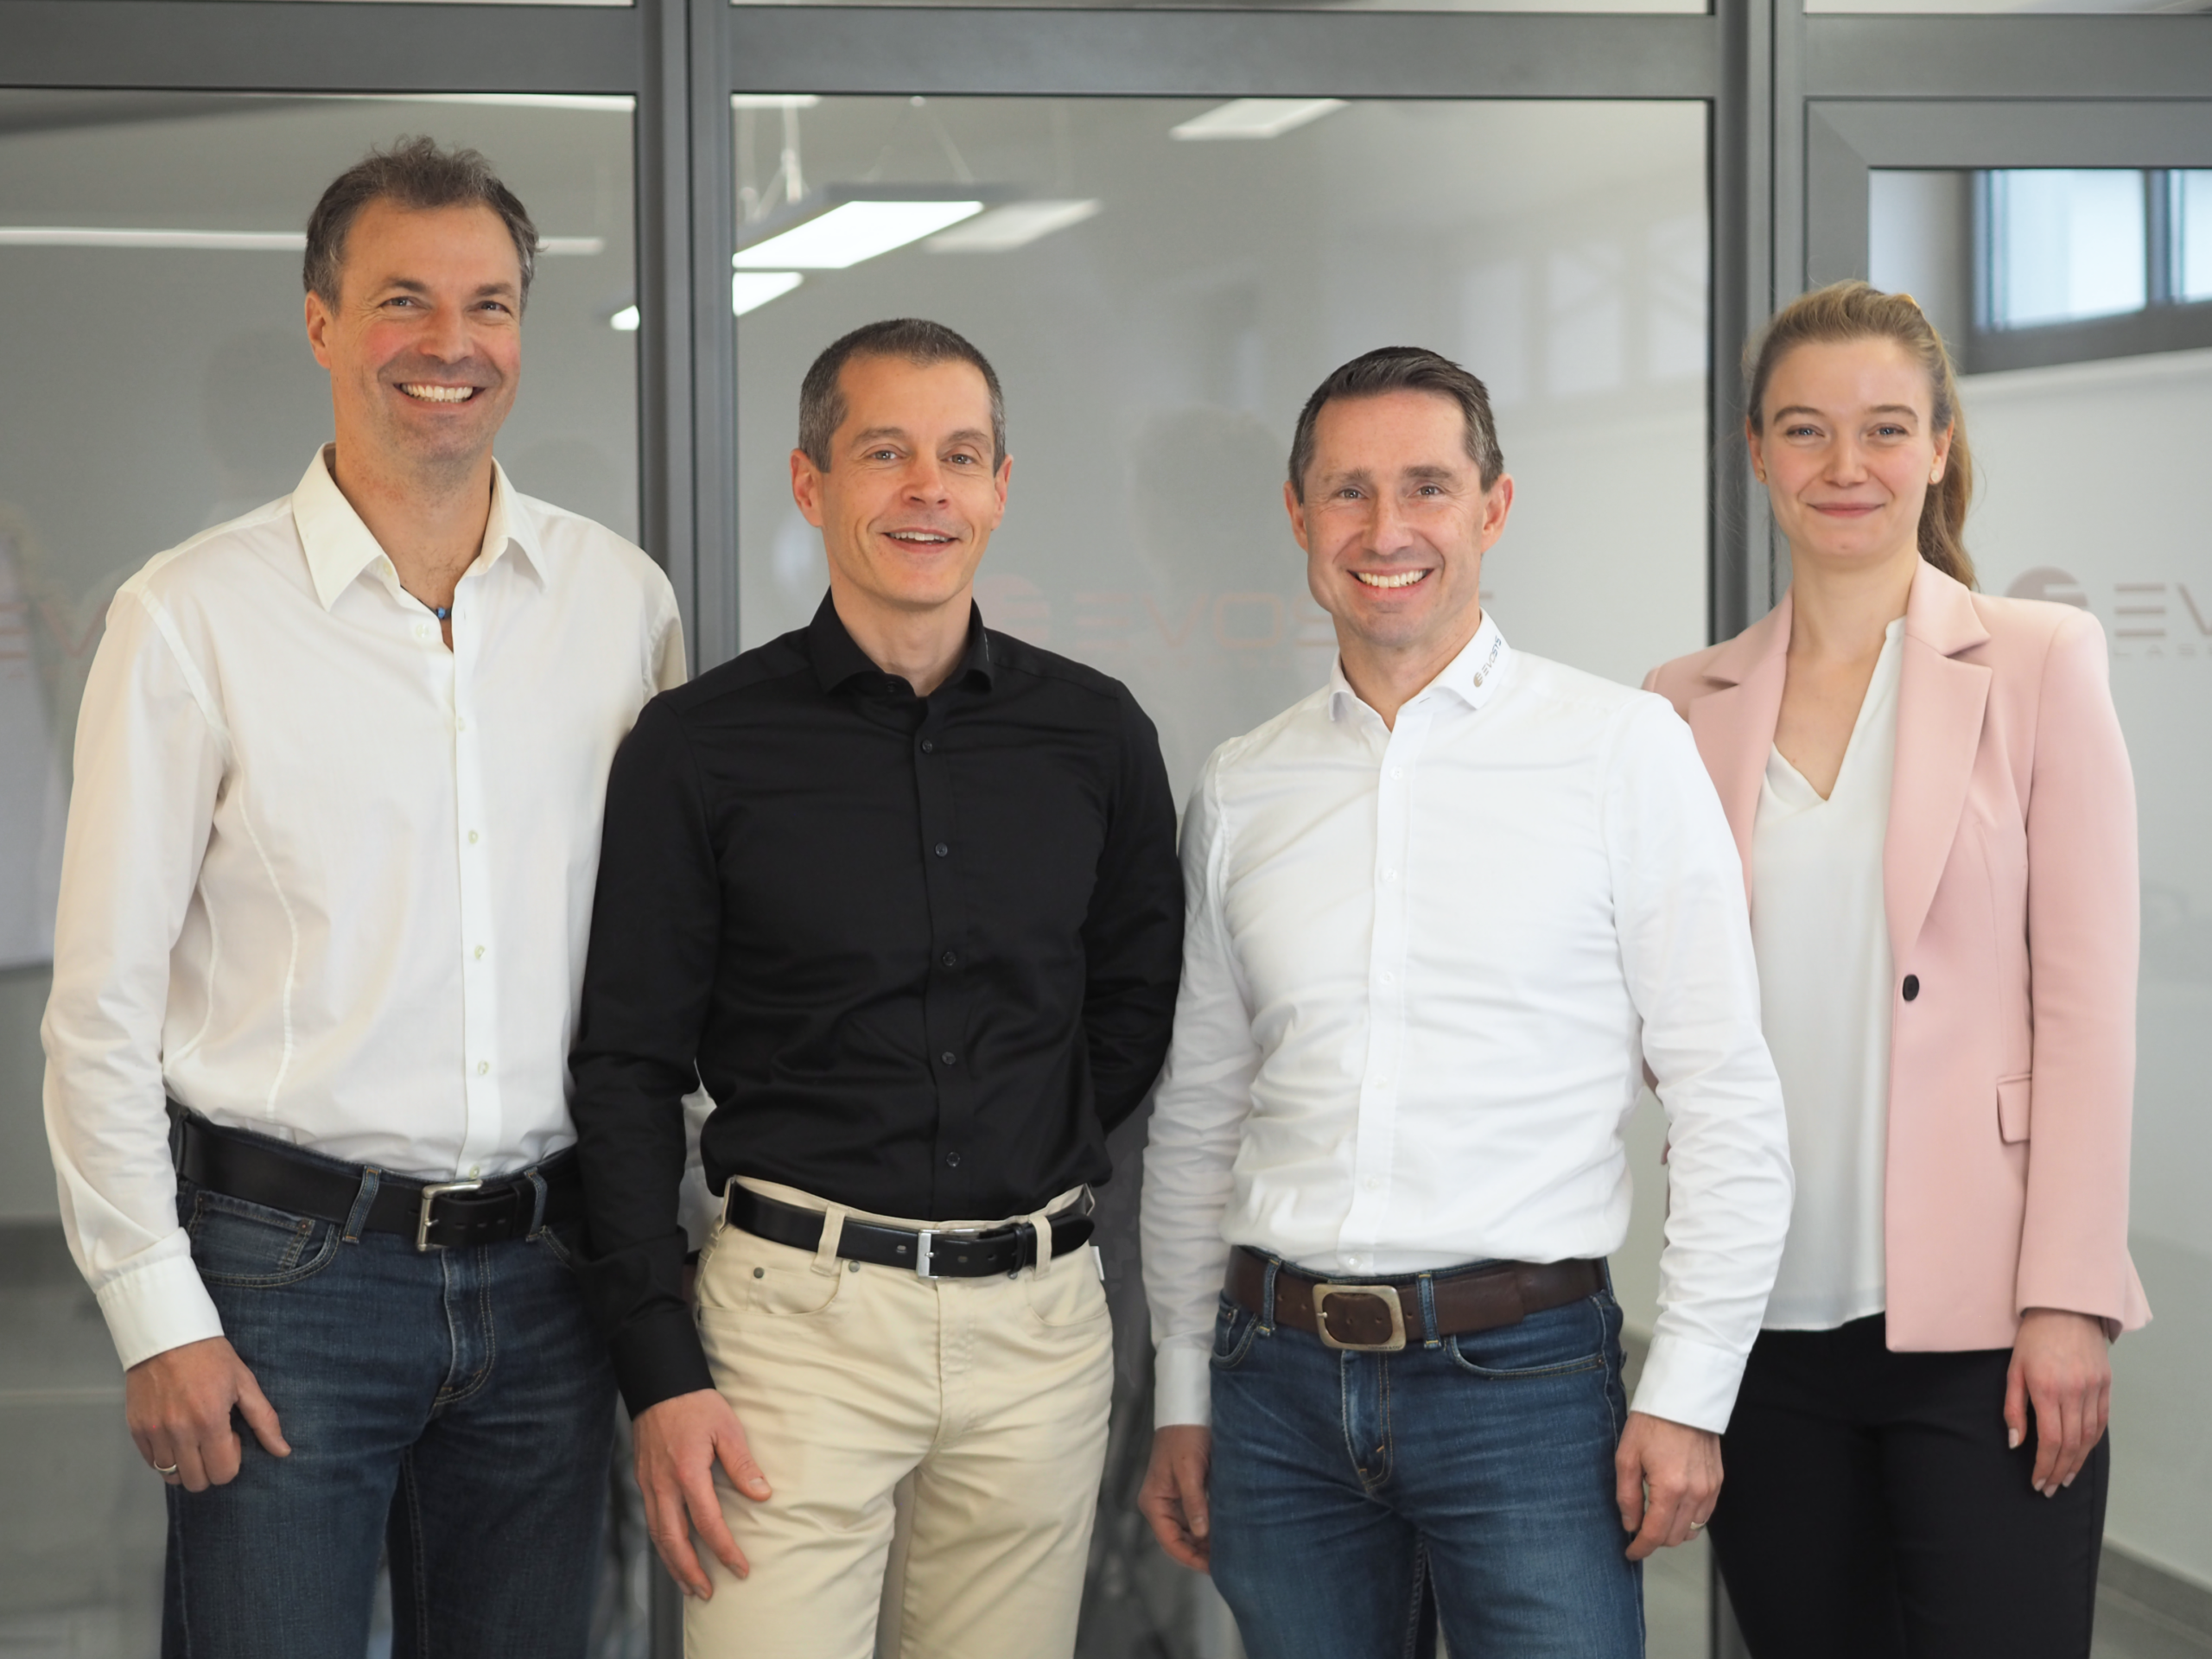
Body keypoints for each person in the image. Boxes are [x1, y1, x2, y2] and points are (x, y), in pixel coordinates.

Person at [39, 138, 685, 1657]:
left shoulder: (621, 606)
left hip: (547, 1278)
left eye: (490, 304)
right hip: (283, 1282)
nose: (451, 345)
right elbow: (102, 1007)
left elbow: (667, 971)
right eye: (405, 300)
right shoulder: (189, 616)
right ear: (323, 321)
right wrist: (159, 1315)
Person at [1135, 346, 1795, 1657]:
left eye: (1428, 488)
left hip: (1526, 1389)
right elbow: (1198, 1119)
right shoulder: (1242, 786)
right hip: (1274, 1392)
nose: (1388, 532)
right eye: (1349, 493)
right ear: (1299, 518)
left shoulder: (1622, 752)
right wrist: (1183, 1389)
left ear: (1493, 510)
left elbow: (1724, 1093)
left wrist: (1690, 1393)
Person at [568, 318, 1184, 1659]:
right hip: (793, 1328)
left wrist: (1029, 1136)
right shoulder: (699, 748)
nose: (927, 489)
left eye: (961, 456)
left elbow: (1133, 1006)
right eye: (885, 452)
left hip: (1040, 1331)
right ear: (810, 483)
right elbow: (624, 1068)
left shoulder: (1096, 736)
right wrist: (659, 1364)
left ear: (1002, 488)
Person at [1644, 280, 2148, 1658]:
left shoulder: (2040, 660)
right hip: (1761, 1325)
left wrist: (2069, 1296)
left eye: (1882, 430)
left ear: (1937, 447)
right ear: (1756, 451)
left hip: (1987, 1322)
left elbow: (2089, 1005)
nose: (1844, 467)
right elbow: (1653, 1014)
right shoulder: (1678, 706)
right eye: (1806, 431)